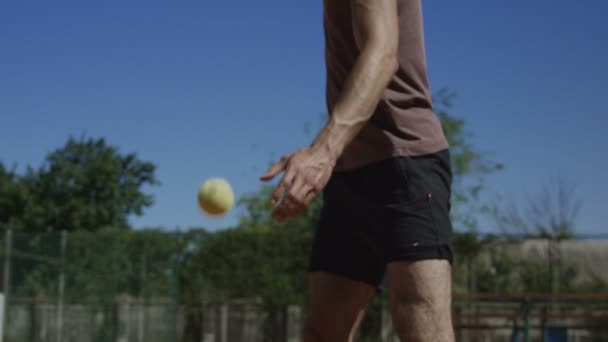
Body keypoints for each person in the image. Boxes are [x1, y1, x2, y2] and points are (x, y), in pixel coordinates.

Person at [260, 0, 455, 340]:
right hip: (350, 170)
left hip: (405, 162)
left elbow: (381, 55)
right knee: (324, 332)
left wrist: (323, 152)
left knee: (419, 318)